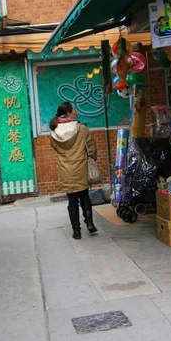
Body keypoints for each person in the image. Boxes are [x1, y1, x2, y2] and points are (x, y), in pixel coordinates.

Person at [49, 102, 98, 240]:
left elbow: (56, 148)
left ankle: (76, 231)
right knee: (84, 196)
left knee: (72, 200)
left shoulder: (54, 131)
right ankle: (89, 222)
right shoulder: (81, 129)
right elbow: (92, 147)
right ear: (69, 113)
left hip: (65, 169)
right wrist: (92, 158)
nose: (76, 111)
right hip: (81, 167)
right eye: (74, 109)